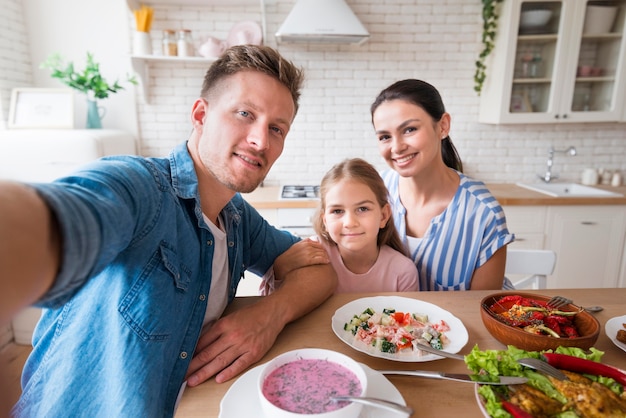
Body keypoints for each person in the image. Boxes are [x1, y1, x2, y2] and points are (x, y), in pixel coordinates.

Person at [0, 45, 337, 417]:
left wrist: (268, 314)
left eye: (277, 128)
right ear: (200, 115)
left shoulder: (236, 216)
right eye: (245, 114)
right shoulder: (139, 188)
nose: (261, 141)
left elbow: (318, 270)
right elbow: (44, 225)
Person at [370, 79, 514, 291]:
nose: (397, 147)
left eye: (409, 129)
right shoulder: (374, 191)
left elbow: (480, 307)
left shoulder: (483, 212)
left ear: (443, 126)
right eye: (385, 137)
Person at [262, 158, 418, 294]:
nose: (350, 222)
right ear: (325, 220)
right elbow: (271, 307)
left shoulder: (402, 272)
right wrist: (280, 268)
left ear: (383, 216)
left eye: (362, 209)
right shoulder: (312, 254)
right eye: (337, 211)